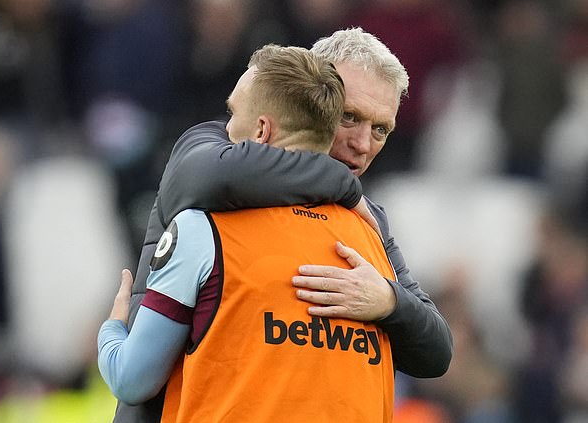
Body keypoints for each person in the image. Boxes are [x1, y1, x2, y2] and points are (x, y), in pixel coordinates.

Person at [112, 28, 452, 422]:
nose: (363, 144)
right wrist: (344, 185)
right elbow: (215, 175)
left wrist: (390, 302)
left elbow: (436, 350)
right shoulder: (209, 145)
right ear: (311, 93)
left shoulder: (363, 221)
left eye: (381, 129)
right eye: (350, 116)